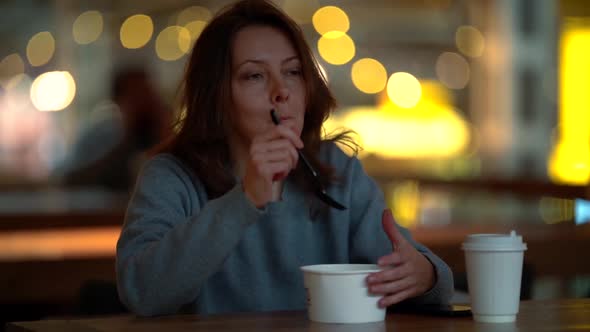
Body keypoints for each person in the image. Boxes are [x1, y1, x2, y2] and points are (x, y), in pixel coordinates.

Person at [116, 0, 454, 317]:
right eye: (254, 75)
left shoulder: (337, 170)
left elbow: (426, 275)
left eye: (292, 72)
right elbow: (141, 291)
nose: (282, 90)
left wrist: (424, 274)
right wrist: (245, 199)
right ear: (216, 94)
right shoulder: (172, 176)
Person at [58, 66, 171, 191]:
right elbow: (70, 179)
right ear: (118, 100)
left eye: (148, 94)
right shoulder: (99, 136)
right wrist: (126, 143)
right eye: (136, 96)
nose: (144, 102)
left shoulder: (163, 136)